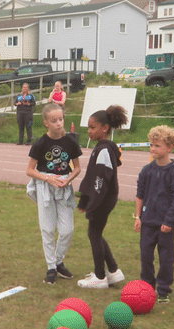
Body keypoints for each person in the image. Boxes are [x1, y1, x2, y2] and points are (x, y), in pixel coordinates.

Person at [26, 103, 82, 284]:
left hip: (64, 187)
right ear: (46, 123)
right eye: (54, 121)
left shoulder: (70, 142)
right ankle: (51, 267)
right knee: (48, 229)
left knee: (67, 230)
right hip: (46, 187)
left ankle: (58, 261)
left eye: (61, 119)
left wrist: (69, 179)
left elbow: (78, 167)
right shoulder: (40, 143)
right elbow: (30, 170)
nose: (59, 123)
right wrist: (48, 179)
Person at [134, 125, 174, 303]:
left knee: (166, 258)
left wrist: (169, 220)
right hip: (148, 222)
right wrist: (138, 217)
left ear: (170, 147)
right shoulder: (147, 170)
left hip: (166, 225)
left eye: (157, 146)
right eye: (151, 145)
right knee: (145, 256)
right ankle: (147, 286)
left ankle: (164, 289)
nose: (153, 149)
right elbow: (139, 195)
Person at [76, 105, 128, 289]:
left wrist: (93, 204)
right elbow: (91, 177)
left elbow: (100, 181)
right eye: (88, 127)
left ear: (104, 128)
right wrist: (84, 199)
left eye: (92, 127)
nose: (89, 131)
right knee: (95, 233)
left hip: (103, 200)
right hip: (99, 200)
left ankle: (100, 277)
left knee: (94, 234)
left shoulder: (105, 150)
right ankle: (113, 272)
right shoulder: (101, 148)